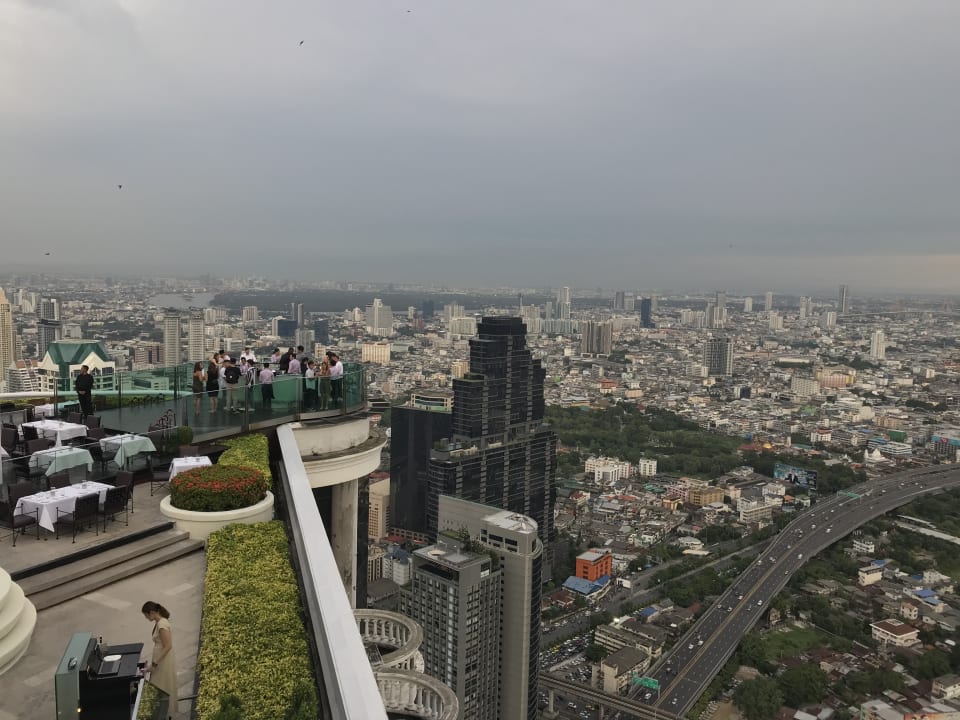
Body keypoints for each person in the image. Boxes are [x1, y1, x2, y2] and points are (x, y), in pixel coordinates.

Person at [142, 601, 177, 720]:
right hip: (161, 659)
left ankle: (162, 713)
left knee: (161, 686)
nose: (146, 618)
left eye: (146, 615)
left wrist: (154, 664)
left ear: (152, 613)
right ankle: (162, 713)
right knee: (161, 686)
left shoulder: (162, 624)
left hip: (163, 661)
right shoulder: (159, 622)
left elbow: (168, 646)